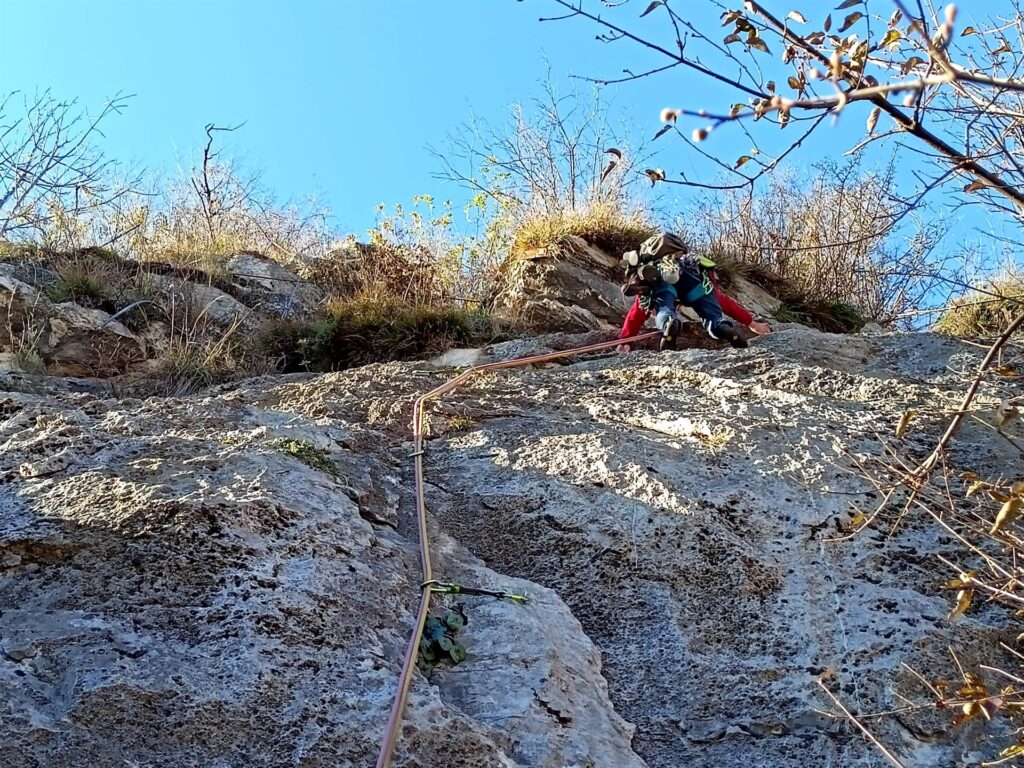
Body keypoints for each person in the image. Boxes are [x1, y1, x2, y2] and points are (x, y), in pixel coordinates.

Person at [616, 232, 771, 352]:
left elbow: (635, 315)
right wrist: (752, 323)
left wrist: (625, 340)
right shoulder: (688, 262)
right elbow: (724, 302)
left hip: (663, 279)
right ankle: (721, 326)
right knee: (711, 313)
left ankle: (670, 322)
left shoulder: (653, 274)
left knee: (664, 307)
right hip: (693, 276)